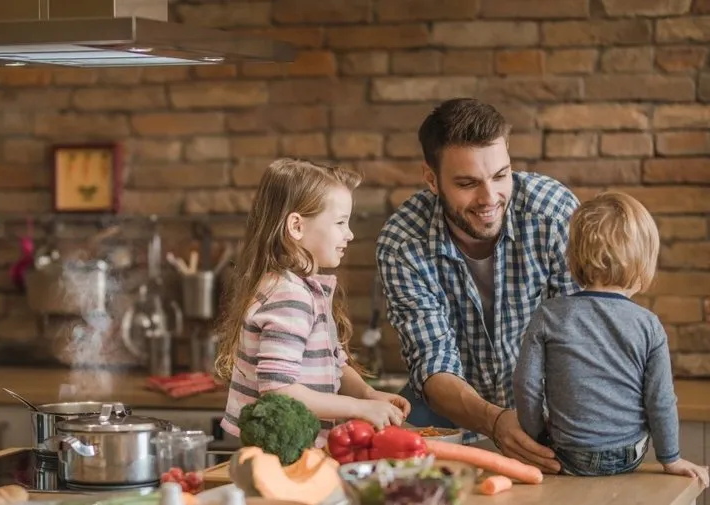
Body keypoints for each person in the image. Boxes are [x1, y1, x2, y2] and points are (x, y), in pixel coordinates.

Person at [376, 97, 579, 473]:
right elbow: (432, 361)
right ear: (431, 180)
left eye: (501, 176)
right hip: (450, 412)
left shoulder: (553, 214)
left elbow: (579, 341)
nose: (489, 199)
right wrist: (495, 420)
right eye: (468, 183)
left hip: (549, 405)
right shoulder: (403, 242)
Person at [513, 191, 710, 486]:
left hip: (567, 455)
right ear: (643, 263)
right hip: (629, 454)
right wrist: (671, 458)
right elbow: (660, 399)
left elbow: (526, 385)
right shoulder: (648, 325)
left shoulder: (549, 314)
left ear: (574, 258)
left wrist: (536, 438)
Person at [215, 158, 411, 447]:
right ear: (296, 226)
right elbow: (279, 391)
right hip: (282, 455)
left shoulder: (303, 289)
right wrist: (358, 408)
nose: (350, 234)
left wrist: (368, 395)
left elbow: (335, 363)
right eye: (340, 222)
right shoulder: (289, 295)